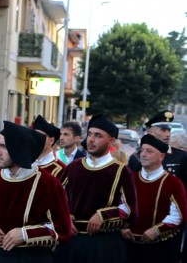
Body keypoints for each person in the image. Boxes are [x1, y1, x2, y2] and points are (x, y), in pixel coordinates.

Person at [0, 121, 71, 262]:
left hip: (32, 257)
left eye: (3, 146)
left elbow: (62, 229)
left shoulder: (48, 184)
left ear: (19, 148)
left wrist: (25, 234)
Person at [55, 114, 137, 263]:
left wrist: (103, 215)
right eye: (90, 134)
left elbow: (130, 209)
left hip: (105, 244)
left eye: (98, 136)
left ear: (110, 141)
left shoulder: (120, 170)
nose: (91, 140)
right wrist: (65, 216)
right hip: (72, 242)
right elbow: (56, 199)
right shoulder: (74, 167)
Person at [121, 134, 187, 263]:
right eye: (142, 150)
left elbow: (178, 215)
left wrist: (157, 230)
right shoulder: (130, 178)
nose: (143, 154)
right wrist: (123, 225)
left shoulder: (173, 183)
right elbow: (121, 205)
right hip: (129, 247)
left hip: (160, 249)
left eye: (149, 151)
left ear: (161, 156)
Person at [128, 110, 187, 187]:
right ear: (151, 132)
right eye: (163, 130)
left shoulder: (181, 156)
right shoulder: (137, 158)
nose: (168, 134)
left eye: (169, 130)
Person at [32, 115, 67, 182]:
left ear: (51, 140)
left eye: (39, 136)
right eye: (34, 135)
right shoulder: (26, 163)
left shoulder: (61, 170)